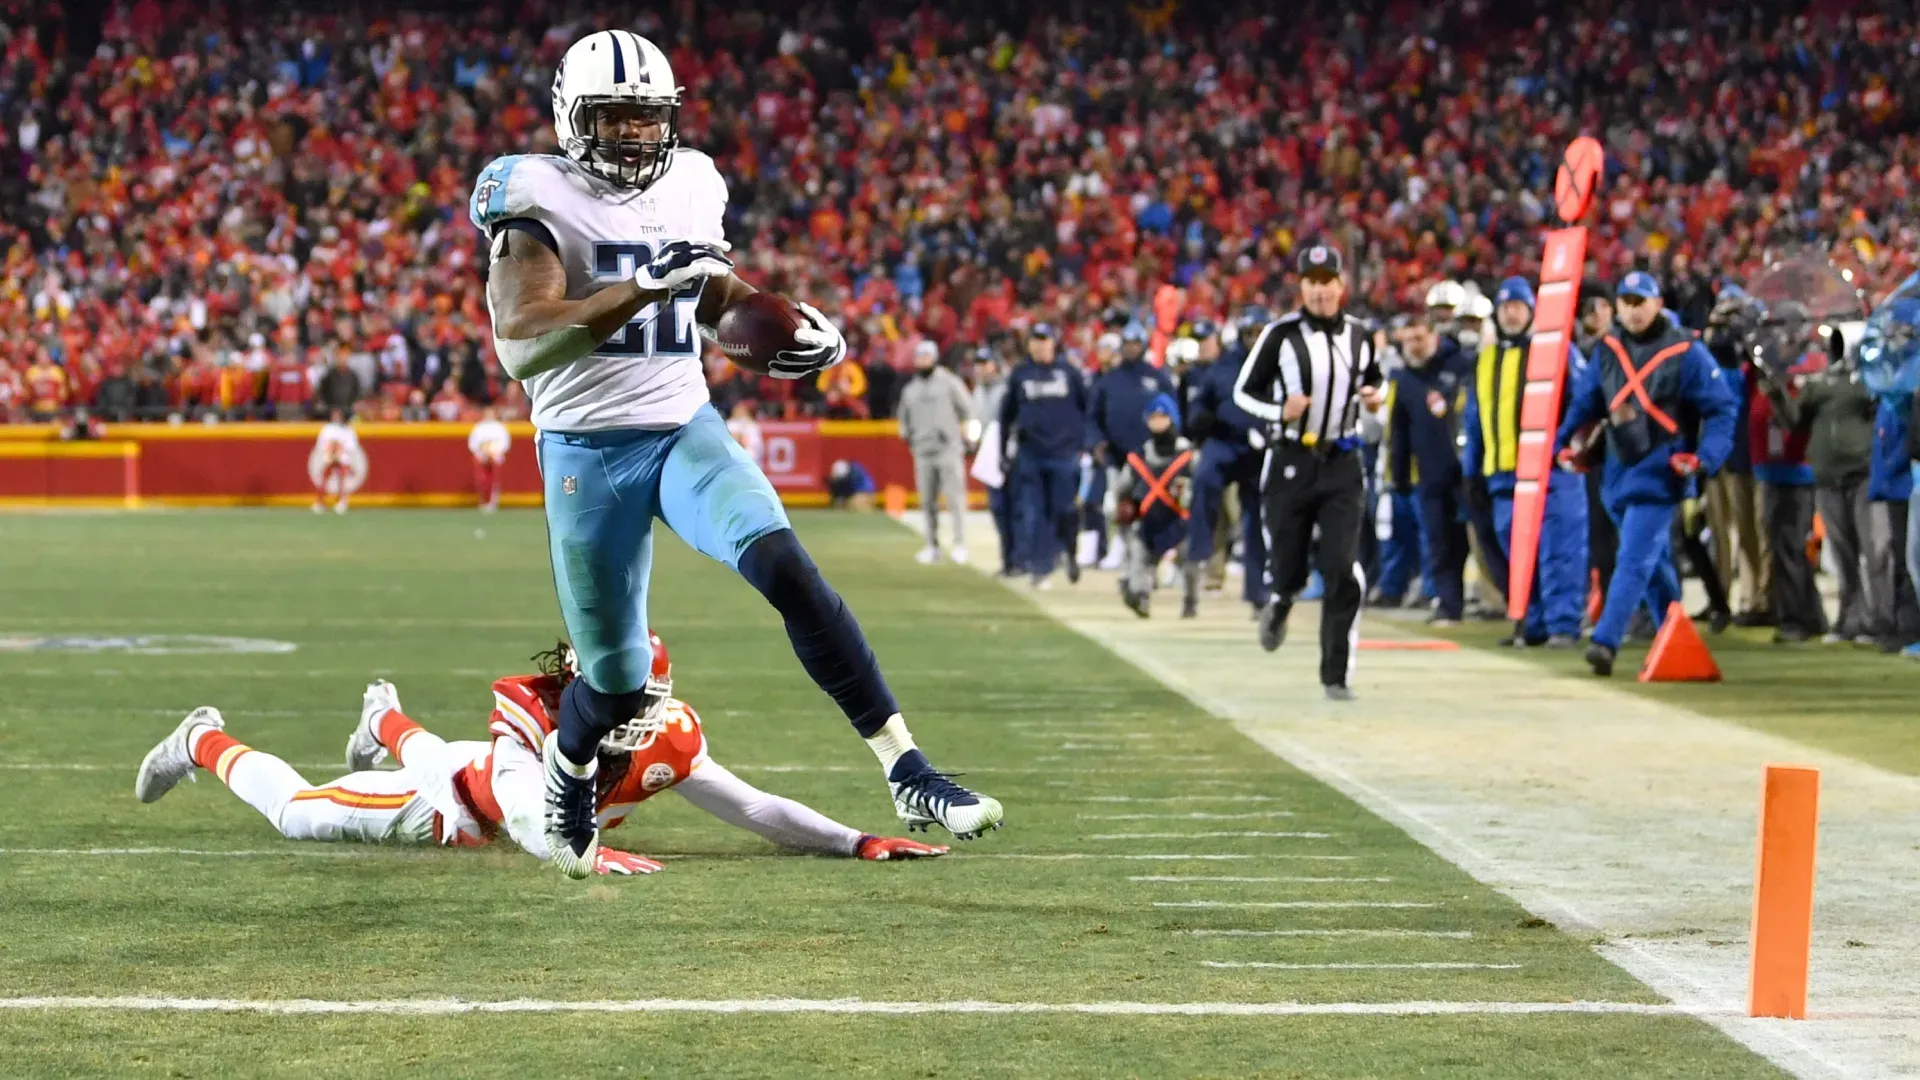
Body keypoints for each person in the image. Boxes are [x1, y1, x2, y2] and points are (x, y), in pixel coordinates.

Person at [472, 29, 1001, 878]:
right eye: (614, 117)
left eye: (648, 119)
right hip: (585, 449)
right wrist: (643, 285)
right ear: (573, 118)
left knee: (787, 569)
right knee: (614, 679)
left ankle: (906, 766)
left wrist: (782, 325)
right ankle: (569, 770)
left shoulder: (693, 181)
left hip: (684, 426)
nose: (636, 136)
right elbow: (523, 343)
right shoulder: (532, 194)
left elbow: (713, 293)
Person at [132, 636, 946, 870]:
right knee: (296, 814)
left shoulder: (672, 735)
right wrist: (582, 853)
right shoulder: (529, 711)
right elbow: (525, 815)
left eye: (645, 699)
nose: (635, 714)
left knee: (431, 750)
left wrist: (854, 840)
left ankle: (385, 721)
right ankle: (202, 738)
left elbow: (751, 805)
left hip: (482, 782)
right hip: (457, 805)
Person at [1554, 271, 1737, 676]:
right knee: (1652, 565)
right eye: (1627, 302)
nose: (1634, 311)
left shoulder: (1686, 351)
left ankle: (1606, 641)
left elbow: (1722, 408)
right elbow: (1585, 404)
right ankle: (1675, 637)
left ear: (1657, 303)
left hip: (1661, 470)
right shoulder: (1607, 349)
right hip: (1616, 472)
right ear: (1617, 306)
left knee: (1633, 558)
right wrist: (1562, 444)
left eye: (1641, 301)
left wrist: (1703, 458)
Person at [1233, 242, 1384, 701]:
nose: (1320, 291)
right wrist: (1281, 410)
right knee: (1289, 565)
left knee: (1342, 567)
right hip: (1291, 460)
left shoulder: (1360, 335)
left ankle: (1336, 675)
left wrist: (1377, 397)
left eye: (1327, 282)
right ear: (1302, 287)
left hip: (1342, 460)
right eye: (1312, 283)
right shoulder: (1279, 336)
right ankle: (1281, 600)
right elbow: (1244, 393)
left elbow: (1374, 379)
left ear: (1342, 285)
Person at [1463, 276, 1590, 647]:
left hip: (1549, 472)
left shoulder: (1557, 351)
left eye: (1517, 306)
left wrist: (1568, 448)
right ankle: (1531, 622)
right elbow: (1475, 420)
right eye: (1505, 307)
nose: (1511, 313)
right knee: (1517, 554)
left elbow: (1583, 403)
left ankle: (1563, 624)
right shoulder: (1485, 361)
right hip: (1503, 475)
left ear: (1532, 310)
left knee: (1559, 548)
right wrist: (1472, 471)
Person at [1762, 327, 1888, 645]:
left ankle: (1877, 621)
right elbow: (1794, 422)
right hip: (1828, 476)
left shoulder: (1870, 382)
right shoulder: (1819, 385)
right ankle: (1849, 619)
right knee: (1844, 553)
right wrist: (1777, 394)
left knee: (1872, 550)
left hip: (1862, 474)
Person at [1387, 313, 1471, 624]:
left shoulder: (1459, 366)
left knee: (1471, 541)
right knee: (1437, 541)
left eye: (1419, 338)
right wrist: (1398, 475)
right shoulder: (1405, 380)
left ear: (1434, 336)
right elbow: (1399, 431)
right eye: (1408, 339)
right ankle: (1448, 603)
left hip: (1464, 473)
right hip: (1427, 475)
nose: (1414, 346)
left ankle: (1505, 602)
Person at [1183, 318, 1269, 615]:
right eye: (1250, 333)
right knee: (1204, 482)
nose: (1254, 339)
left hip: (1259, 448)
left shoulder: (1278, 366)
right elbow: (1198, 409)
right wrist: (1200, 423)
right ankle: (1198, 554)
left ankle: (1258, 591)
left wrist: (1271, 430)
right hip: (1223, 441)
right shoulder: (1221, 368)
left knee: (1259, 518)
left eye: (1260, 333)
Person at [999, 323, 1089, 590]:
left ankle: (1069, 550)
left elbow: (1087, 408)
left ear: (1053, 343)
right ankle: (1041, 568)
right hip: (1031, 454)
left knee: (1065, 510)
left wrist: (1083, 444)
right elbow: (1007, 415)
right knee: (1033, 513)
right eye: (1035, 341)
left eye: (1044, 340)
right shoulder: (1021, 375)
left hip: (1064, 454)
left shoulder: (1069, 373)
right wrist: (1003, 452)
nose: (1039, 346)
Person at [1088, 323, 1177, 568]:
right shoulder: (1109, 380)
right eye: (1127, 344)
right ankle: (1119, 547)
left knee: (1156, 507)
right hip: (1119, 456)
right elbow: (1093, 417)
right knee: (1115, 506)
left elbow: (1174, 412)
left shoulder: (1158, 377)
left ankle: (1158, 554)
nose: (1132, 349)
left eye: (1136, 344)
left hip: (1153, 457)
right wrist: (1097, 442)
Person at [1113, 394, 1198, 618]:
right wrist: (1124, 505)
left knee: (1190, 555)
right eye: (1153, 417)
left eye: (1162, 416)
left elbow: (1201, 488)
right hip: (1149, 519)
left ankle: (1190, 601)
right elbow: (1122, 487)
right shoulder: (1140, 454)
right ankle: (1139, 596)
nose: (1158, 421)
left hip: (1180, 520)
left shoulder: (1188, 455)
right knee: (1139, 552)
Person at [896, 340, 974, 564]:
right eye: (919, 357)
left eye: (926, 356)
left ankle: (960, 544)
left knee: (955, 499)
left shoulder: (949, 382)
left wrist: (970, 438)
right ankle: (932, 545)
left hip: (948, 449)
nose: (922, 361)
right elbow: (904, 419)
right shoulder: (911, 389)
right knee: (927, 501)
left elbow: (968, 410)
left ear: (934, 357)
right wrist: (908, 437)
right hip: (922, 450)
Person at [967, 349, 1019, 576]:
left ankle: (1019, 559)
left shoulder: (1008, 387)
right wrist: (973, 441)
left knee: (1015, 508)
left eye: (984, 363)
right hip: (988, 454)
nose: (980, 368)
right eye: (978, 364)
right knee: (998, 508)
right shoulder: (978, 390)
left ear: (995, 365)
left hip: (1009, 451)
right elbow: (976, 420)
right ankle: (1008, 560)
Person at [310, 408, 362, 515]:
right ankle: (319, 502)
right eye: (334, 415)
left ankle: (342, 501)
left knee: (342, 478)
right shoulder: (327, 428)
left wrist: (339, 448)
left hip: (342, 456)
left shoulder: (348, 430)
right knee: (324, 477)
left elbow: (352, 445)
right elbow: (321, 443)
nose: (336, 417)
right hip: (329, 456)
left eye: (338, 415)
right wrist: (331, 449)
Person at [468, 406, 511, 513]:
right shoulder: (479, 427)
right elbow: (473, 443)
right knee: (481, 480)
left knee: (495, 480)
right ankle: (483, 501)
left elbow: (505, 443)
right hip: (481, 456)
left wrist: (495, 453)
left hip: (496, 456)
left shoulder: (500, 427)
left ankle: (493, 502)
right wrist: (481, 453)